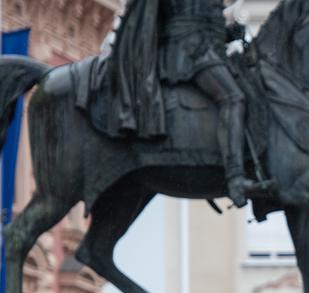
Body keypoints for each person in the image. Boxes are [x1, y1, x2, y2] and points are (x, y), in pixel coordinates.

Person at [105, 0, 267, 207]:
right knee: (232, 98)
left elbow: (206, 21)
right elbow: (187, 21)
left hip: (202, 47)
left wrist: (229, 32)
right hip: (187, 51)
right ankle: (235, 179)